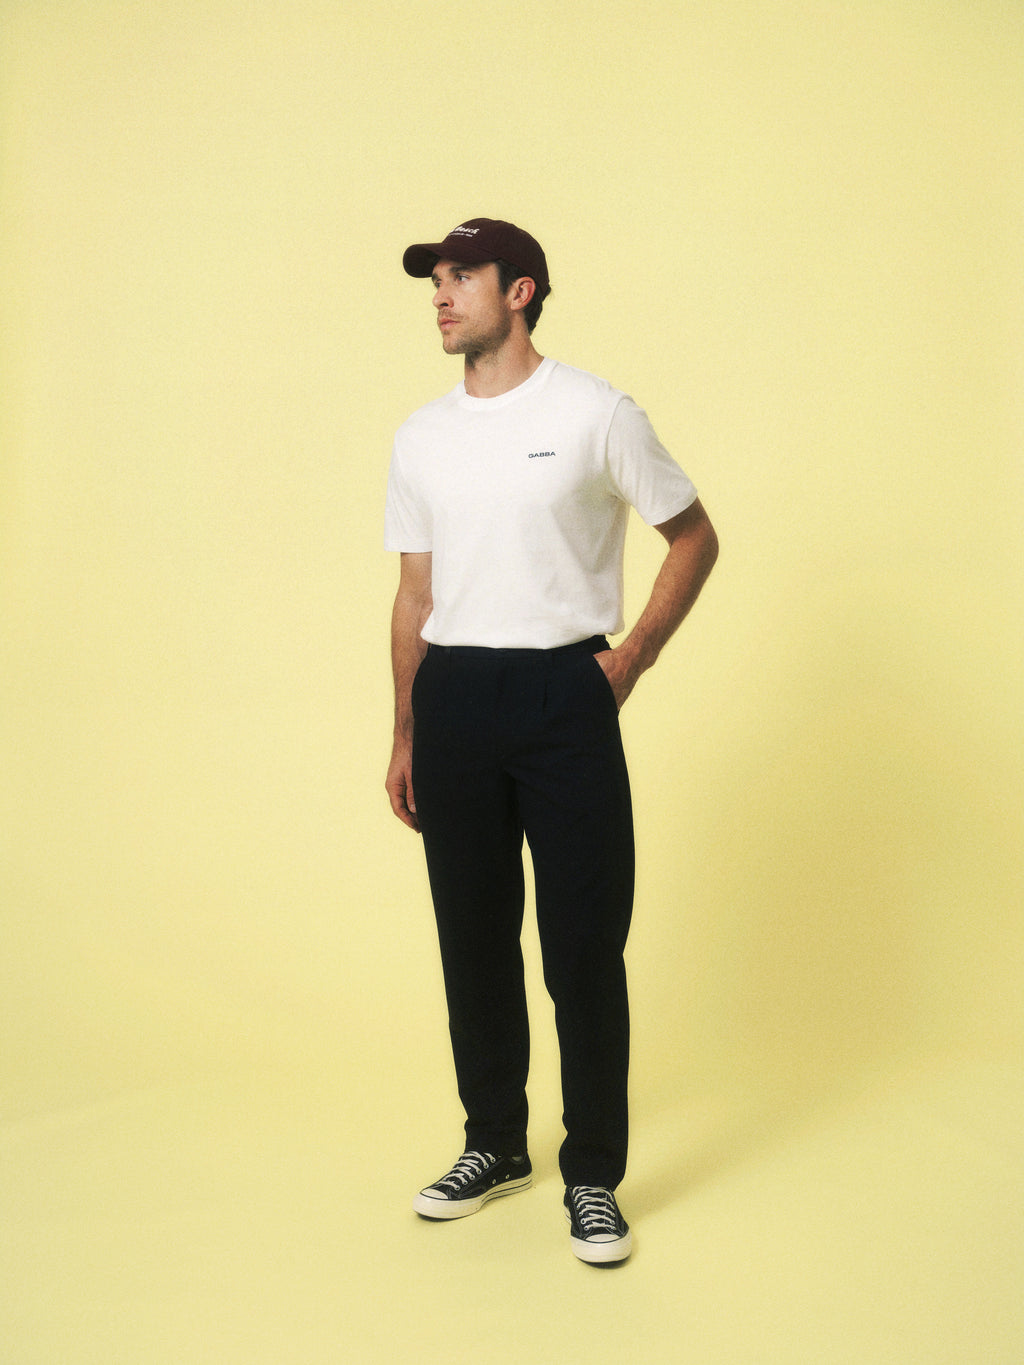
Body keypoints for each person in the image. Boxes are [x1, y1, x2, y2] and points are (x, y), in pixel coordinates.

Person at [384, 217, 718, 1264]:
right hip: (452, 698)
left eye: (462, 276)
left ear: (520, 290)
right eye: (435, 280)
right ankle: (494, 1143)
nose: (441, 295)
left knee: (581, 948)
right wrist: (404, 729)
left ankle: (593, 1176)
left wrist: (630, 659)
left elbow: (693, 535)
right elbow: (414, 592)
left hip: (564, 696)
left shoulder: (593, 412)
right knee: (472, 940)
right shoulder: (420, 435)